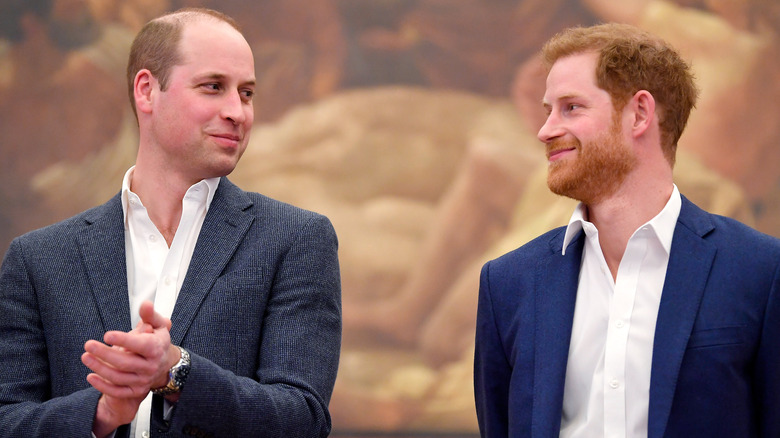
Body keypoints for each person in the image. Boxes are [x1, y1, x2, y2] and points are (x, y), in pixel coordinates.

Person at [0, 7, 341, 438]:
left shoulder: (296, 240)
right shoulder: (38, 259)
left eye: (248, 93)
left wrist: (176, 371)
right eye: (213, 87)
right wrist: (101, 413)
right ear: (147, 91)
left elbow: (302, 419)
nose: (238, 111)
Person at [474, 23, 780, 437]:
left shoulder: (760, 270)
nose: (545, 130)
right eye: (549, 111)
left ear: (639, 114)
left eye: (571, 107)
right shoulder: (508, 282)